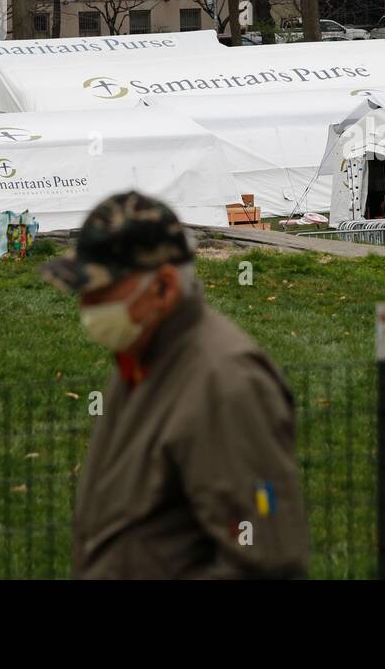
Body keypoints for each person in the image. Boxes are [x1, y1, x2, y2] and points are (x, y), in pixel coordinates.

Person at [41, 191, 310, 577]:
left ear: (164, 287)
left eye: (101, 291)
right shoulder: (140, 356)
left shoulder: (226, 384)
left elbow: (267, 563)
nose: (87, 307)